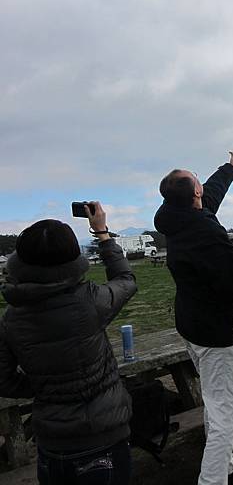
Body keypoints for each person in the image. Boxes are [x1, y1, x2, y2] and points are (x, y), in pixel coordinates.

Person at [0, 202, 137, 485]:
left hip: (51, 445)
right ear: (73, 260)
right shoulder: (91, 301)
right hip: (104, 438)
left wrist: (44, 386)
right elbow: (126, 279)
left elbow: (3, 380)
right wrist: (102, 232)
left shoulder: (10, 318)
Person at [154, 152, 233, 485]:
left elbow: (209, 196)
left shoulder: (175, 215)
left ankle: (224, 467)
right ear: (193, 192)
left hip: (191, 324)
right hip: (213, 333)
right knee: (227, 411)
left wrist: (230, 168)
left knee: (216, 398)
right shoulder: (206, 233)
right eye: (197, 178)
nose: (201, 183)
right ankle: (212, 480)